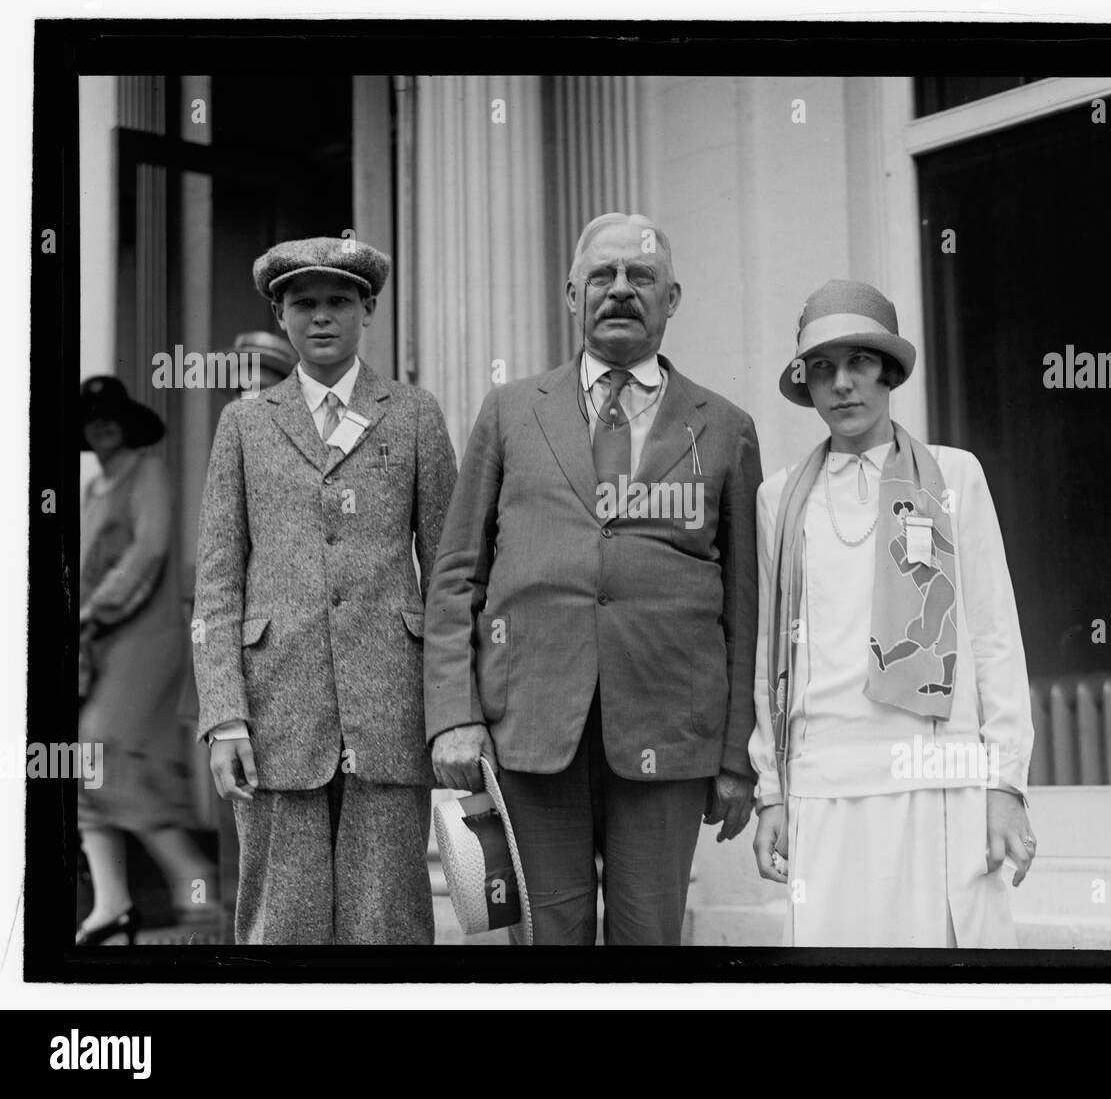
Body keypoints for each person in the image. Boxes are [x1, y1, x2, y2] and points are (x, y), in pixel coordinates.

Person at [424, 212, 763, 945]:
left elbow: (746, 606)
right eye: (602, 277)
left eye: (641, 277)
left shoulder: (726, 427)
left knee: (650, 945)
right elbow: (455, 575)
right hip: (531, 730)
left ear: (672, 299)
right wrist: (453, 714)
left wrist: (736, 756)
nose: (620, 291)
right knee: (547, 944)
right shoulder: (511, 412)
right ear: (572, 295)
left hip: (670, 731)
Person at [749, 279, 1036, 947]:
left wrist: (1005, 785)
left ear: (889, 371)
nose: (842, 384)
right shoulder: (780, 499)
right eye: (823, 368)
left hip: (937, 781)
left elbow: (995, 635)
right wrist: (772, 792)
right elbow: (773, 654)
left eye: (859, 363)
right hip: (826, 784)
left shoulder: (952, 476)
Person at [192, 237, 458, 944]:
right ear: (280, 315)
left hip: (391, 706)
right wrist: (224, 718)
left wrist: (456, 712)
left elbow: (452, 573)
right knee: (282, 922)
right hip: (277, 708)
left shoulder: (413, 414)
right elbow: (217, 579)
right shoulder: (245, 423)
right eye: (302, 303)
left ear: (367, 309)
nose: (321, 317)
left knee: (389, 924)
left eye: (338, 301)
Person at [78, 376, 217, 945]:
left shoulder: (146, 471)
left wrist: (95, 608)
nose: (102, 424)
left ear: (127, 422)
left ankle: (195, 883)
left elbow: (150, 549)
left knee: (101, 750)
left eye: (112, 414)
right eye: (92, 416)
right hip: (101, 641)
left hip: (147, 637)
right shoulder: (91, 490)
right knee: (89, 765)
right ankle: (113, 903)